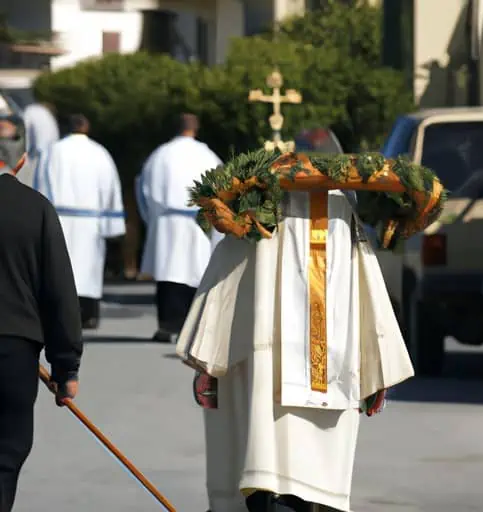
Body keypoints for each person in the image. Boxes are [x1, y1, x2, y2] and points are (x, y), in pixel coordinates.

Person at [177, 150, 445, 511]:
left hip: (264, 374)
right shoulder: (338, 216)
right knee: (313, 487)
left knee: (263, 471)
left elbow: (222, 298)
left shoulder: (256, 217)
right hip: (327, 370)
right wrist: (376, 369)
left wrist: (207, 368)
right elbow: (371, 300)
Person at [0, 95, 83, 512]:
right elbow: (58, 293)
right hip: (13, 349)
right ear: (19, 161)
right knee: (4, 455)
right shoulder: (35, 209)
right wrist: (66, 366)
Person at [136, 113, 223, 343]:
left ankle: (168, 326)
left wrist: (153, 221)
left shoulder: (160, 155)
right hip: (199, 223)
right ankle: (194, 330)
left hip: (167, 222)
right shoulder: (208, 156)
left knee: (169, 273)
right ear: (196, 129)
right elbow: (223, 191)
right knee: (197, 273)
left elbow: (143, 191)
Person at [34, 114, 126, 329]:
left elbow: (39, 186)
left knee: (59, 269)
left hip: (58, 219)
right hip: (90, 222)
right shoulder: (99, 153)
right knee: (87, 270)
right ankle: (88, 315)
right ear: (86, 127)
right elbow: (110, 188)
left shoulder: (52, 151)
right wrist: (112, 224)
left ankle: (58, 317)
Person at [21, 102, 60, 187]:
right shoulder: (44, 112)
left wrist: (26, 152)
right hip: (52, 150)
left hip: (38, 151)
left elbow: (26, 132)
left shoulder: (30, 111)